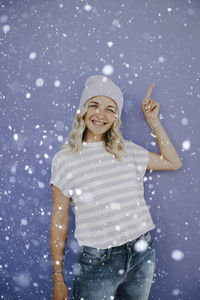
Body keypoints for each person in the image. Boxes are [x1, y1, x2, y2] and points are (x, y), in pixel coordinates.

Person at [50, 75, 182, 300]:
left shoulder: (126, 150)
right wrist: (58, 278)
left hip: (142, 252)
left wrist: (154, 122)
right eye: (94, 105)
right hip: (97, 262)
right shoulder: (65, 159)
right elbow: (59, 221)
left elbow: (173, 162)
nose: (101, 114)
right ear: (83, 110)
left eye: (110, 109)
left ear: (116, 117)